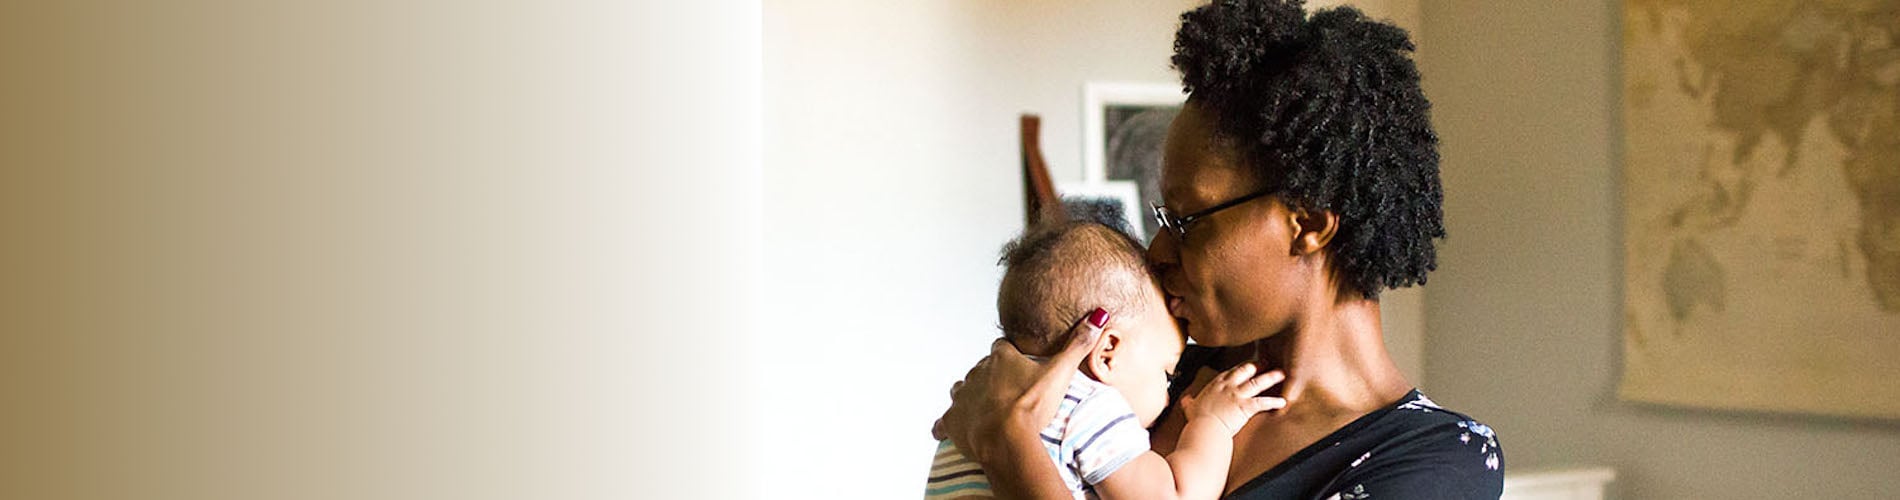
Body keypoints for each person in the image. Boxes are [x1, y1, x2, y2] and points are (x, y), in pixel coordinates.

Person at [933, 1, 1504, 498]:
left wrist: (1012, 451)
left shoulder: (1434, 461)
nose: (1156, 251)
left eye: (1187, 220)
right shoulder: (1156, 375)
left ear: (1306, 223)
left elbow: (1009, 439)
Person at [926, 221, 1290, 500]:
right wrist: (1212, 423)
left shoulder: (977, 408)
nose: (1169, 394)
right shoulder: (1089, 409)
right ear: (1108, 351)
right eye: (1166, 371)